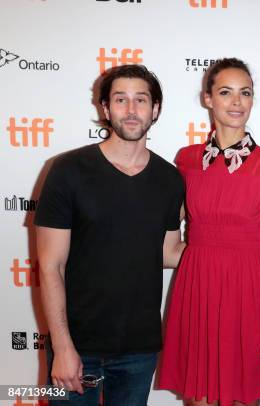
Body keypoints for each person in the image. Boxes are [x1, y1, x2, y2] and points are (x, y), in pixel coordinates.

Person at [35, 64, 185, 405]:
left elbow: (168, 253)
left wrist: (236, 249)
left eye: (141, 100)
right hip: (77, 347)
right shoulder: (67, 171)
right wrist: (62, 347)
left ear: (155, 109)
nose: (131, 110)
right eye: (121, 99)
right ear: (105, 108)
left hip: (140, 350)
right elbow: (50, 266)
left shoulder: (170, 179)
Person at [159, 58, 260, 406]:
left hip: (250, 289)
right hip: (198, 286)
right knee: (198, 398)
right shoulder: (186, 160)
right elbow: (170, 229)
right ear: (208, 99)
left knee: (244, 397)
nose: (236, 102)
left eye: (245, 93)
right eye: (226, 92)